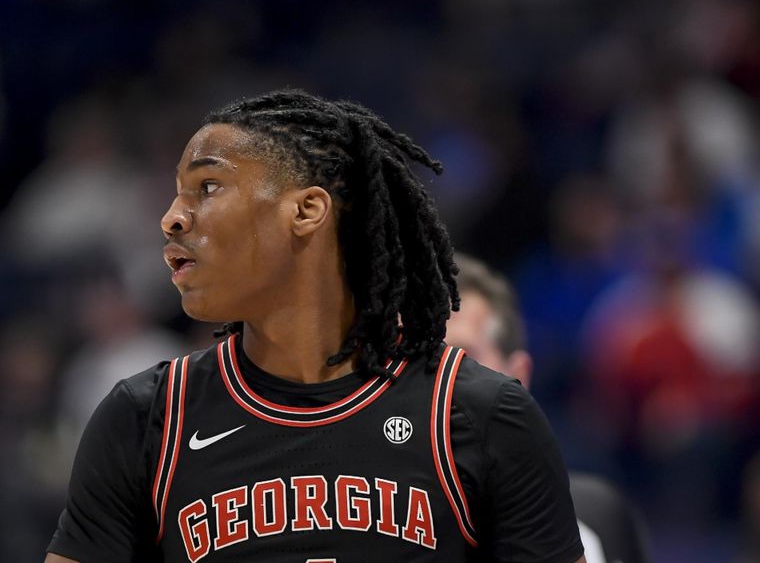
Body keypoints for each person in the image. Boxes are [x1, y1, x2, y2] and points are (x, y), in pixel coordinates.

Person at [46, 89, 584, 562]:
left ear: (306, 211)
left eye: (208, 187)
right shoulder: (145, 420)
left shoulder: (479, 415)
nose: (173, 217)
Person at [445, 253, 650, 563]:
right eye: (414, 356)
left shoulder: (599, 516)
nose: (436, 377)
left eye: (461, 357)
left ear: (518, 378)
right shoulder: (360, 527)